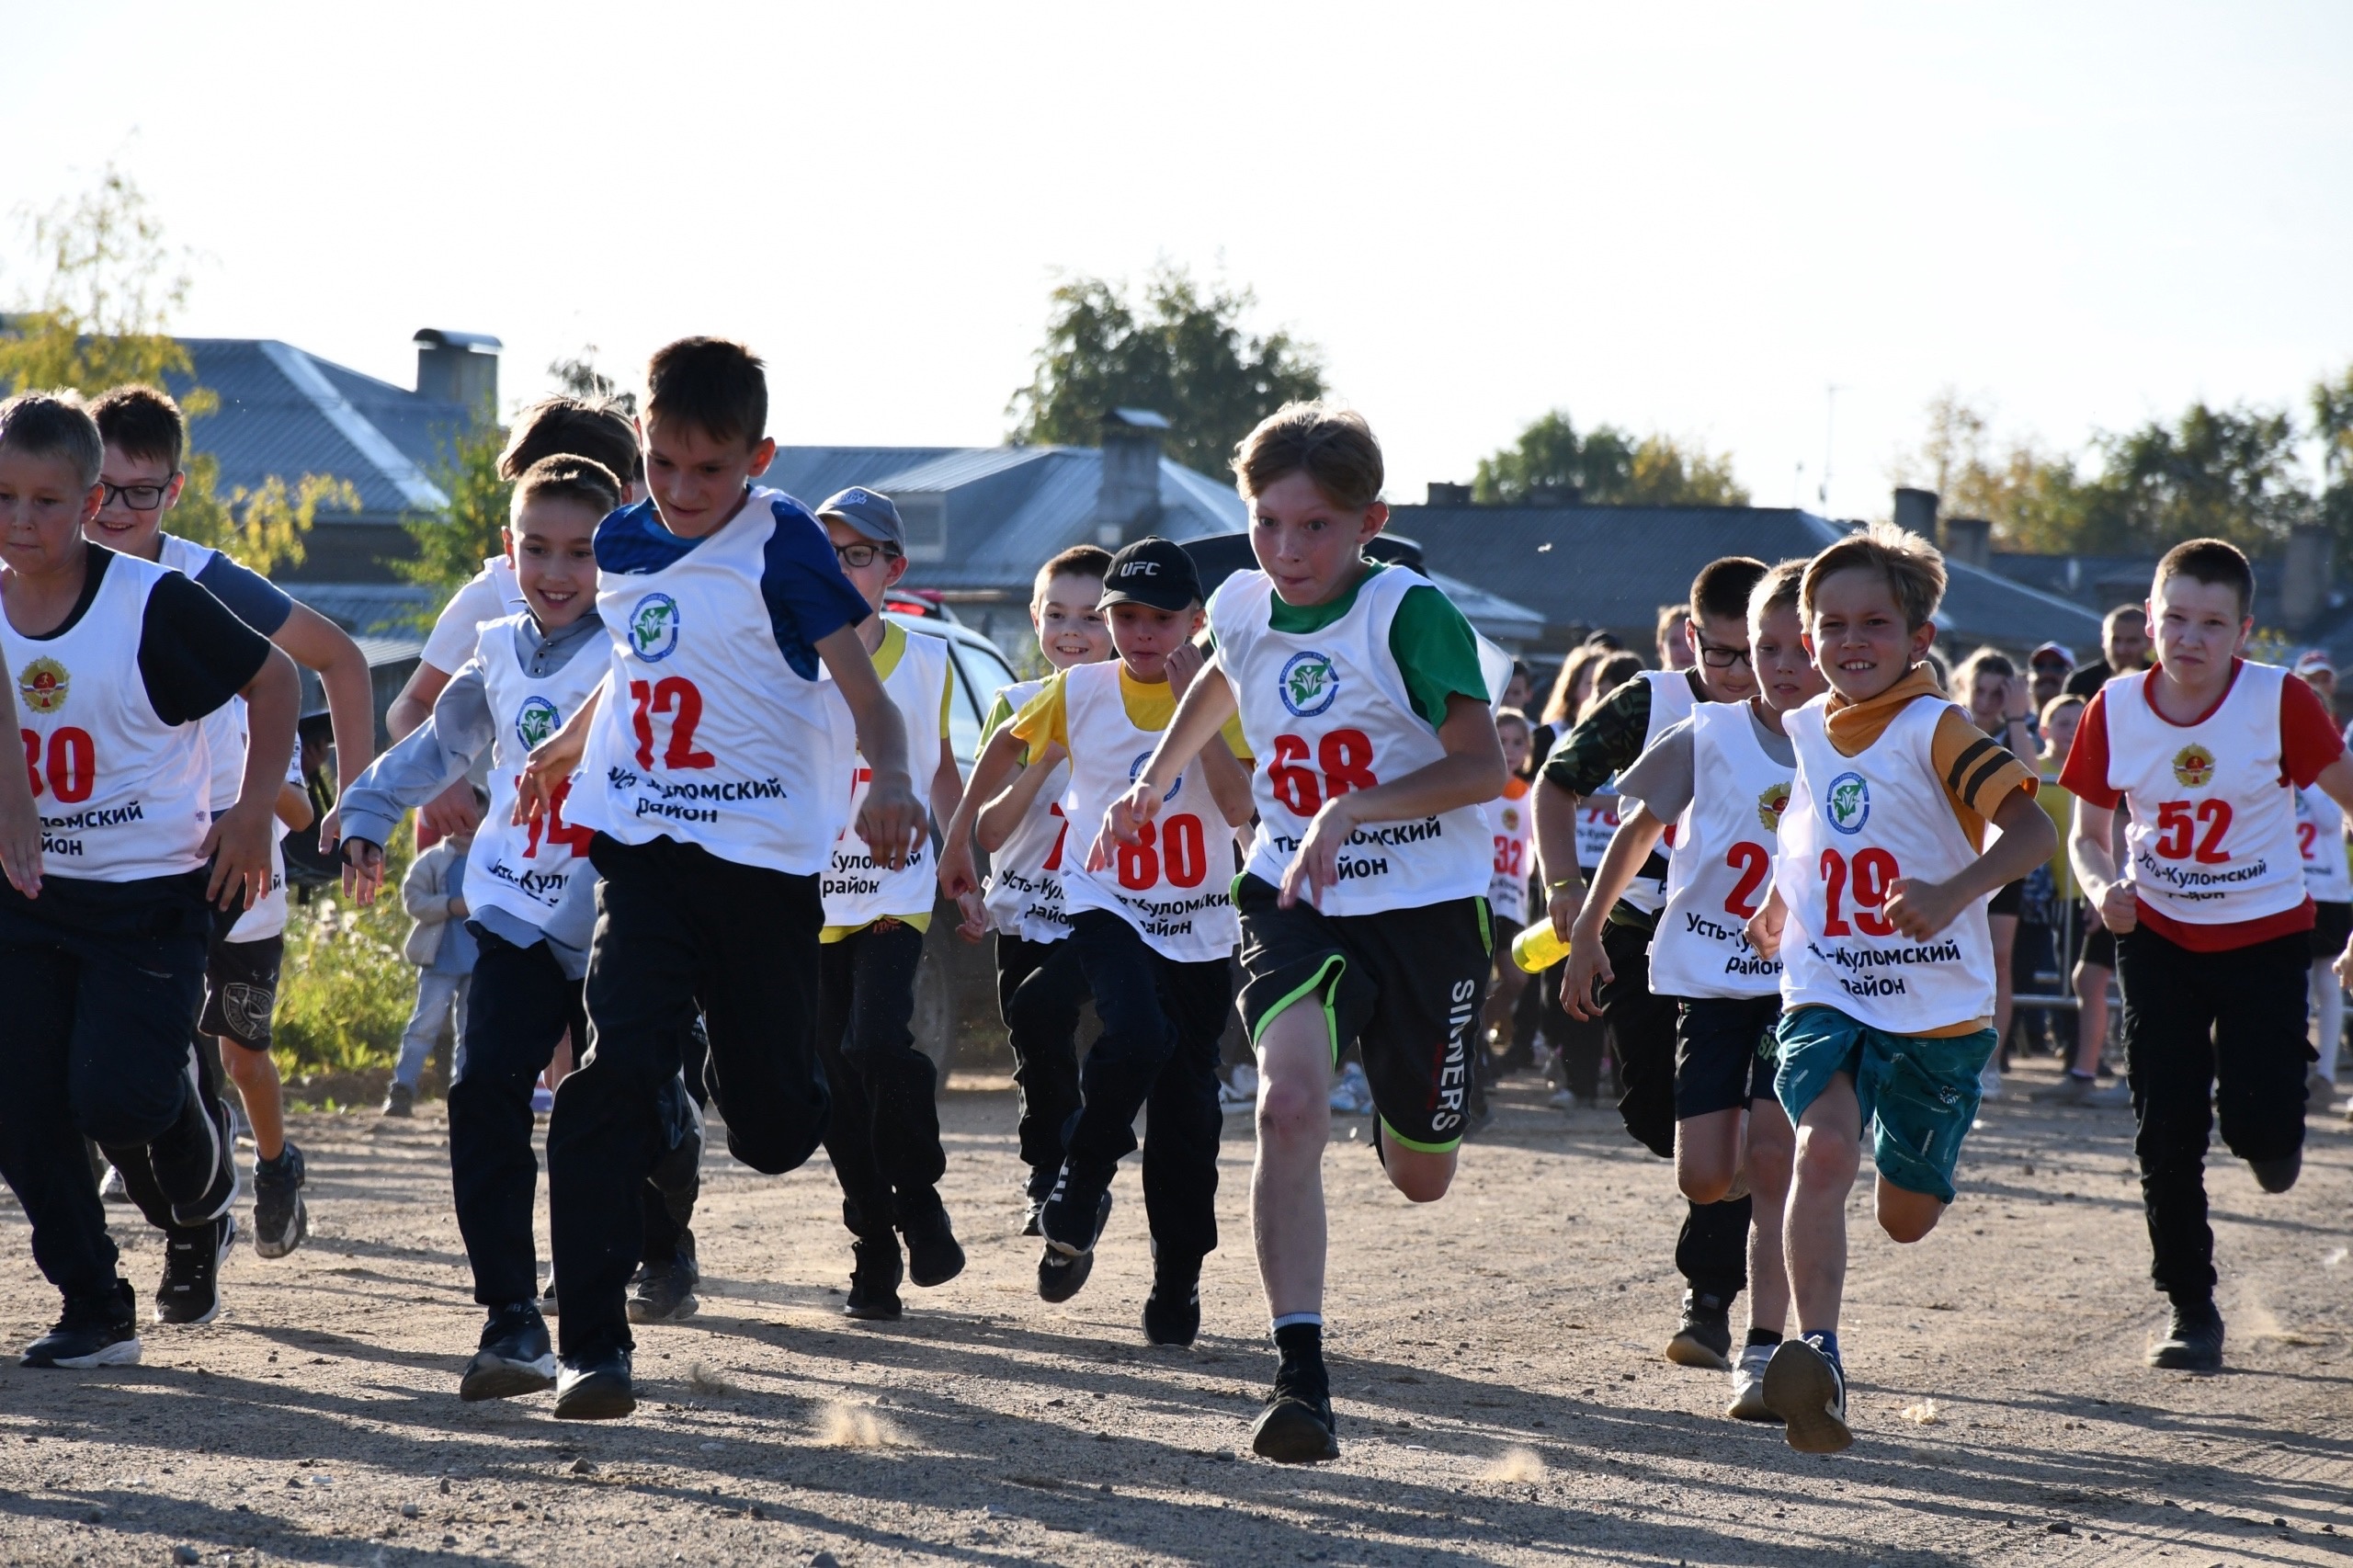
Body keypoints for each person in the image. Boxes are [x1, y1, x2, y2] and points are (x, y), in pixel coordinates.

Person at [512, 337, 926, 1420]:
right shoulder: (621, 539)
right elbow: (647, 660)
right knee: (604, 1081)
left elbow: (863, 686)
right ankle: (593, 1348)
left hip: (763, 869)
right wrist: (571, 739)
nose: (685, 491)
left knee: (776, 1128)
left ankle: (752, 1089)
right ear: (641, 443)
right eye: (665, 464)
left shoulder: (784, 543)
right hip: (644, 854)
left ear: (759, 455)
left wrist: (890, 777)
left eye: (712, 469)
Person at [1105, 405, 1503, 1465]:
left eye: (1315, 526)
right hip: (1291, 892)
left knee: (1423, 1172)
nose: (1287, 550)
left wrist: (1352, 809)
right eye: (1267, 522)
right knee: (1285, 1103)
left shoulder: (1406, 613)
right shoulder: (1240, 599)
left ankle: (1404, 1107)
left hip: (1425, 909)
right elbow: (1224, 674)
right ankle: (1301, 1375)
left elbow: (1482, 766)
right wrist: (1151, 779)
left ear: (1368, 519)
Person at [0, 391, 299, 1365]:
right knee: (23, 1105)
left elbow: (278, 679)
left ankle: (197, 1166)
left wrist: (252, 809)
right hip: (31, 892)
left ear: (90, 501)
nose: (23, 521)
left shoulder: (149, 601)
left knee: (117, 1101)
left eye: (47, 500)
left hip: (151, 896)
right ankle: (95, 1304)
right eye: (4, 497)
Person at [339, 456, 646, 1396]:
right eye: (538, 549)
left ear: (617, 556)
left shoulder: (645, 645)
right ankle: (513, 1321)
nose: (557, 572)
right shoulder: (500, 649)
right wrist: (364, 807)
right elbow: (440, 744)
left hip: (617, 912)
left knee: (614, 1116)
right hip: (512, 900)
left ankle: (600, 1336)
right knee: (482, 1092)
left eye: (582, 552)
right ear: (509, 551)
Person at [1745, 523, 2054, 1451]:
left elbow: (2031, 833)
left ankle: (1917, 1169)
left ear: (1918, 636)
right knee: (1822, 1151)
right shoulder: (1806, 728)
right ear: (1808, 638)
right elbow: (1813, 829)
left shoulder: (1937, 727)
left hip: (1934, 1008)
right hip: (1827, 982)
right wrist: (1773, 899)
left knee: (1905, 1214)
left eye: (1873, 622)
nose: (1851, 641)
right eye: (1831, 624)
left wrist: (1951, 890)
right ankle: (1819, 1358)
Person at [86, 383, 380, 1262]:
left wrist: (351, 808)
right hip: (120, 860)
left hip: (239, 855)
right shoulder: (39, 573)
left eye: (144, 491)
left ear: (175, 491)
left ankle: (276, 1163)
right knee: (145, 1037)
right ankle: (194, 1187)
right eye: (103, 488)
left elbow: (342, 661)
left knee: (240, 1051)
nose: (118, 510)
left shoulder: (201, 581)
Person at [2063, 540, 2353, 1373]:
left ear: (2244, 633)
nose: (2189, 639)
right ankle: (2192, 1308)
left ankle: (2273, 1118)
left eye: (2212, 624)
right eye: (2175, 619)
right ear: (2149, 620)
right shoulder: (2114, 707)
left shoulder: (2281, 702)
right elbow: (2087, 834)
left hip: (2265, 936)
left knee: (2259, 1133)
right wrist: (2099, 889)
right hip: (2156, 936)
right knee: (2165, 1127)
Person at [1565, 558, 1824, 1422]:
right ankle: (1761, 1193)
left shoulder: (1853, 740)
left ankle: (1764, 1347)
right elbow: (1635, 834)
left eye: (1802, 646)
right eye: (1766, 648)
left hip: (1799, 989)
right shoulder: (1705, 734)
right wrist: (1587, 930)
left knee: (1774, 1161)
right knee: (1706, 1178)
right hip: (1710, 979)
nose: (1784, 665)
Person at [1009, 537, 1254, 1341]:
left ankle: (1176, 1279)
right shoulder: (1078, 690)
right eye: (1128, 616)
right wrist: (965, 836)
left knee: (1188, 1118)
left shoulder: (1232, 694)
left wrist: (1204, 720)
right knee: (1130, 1030)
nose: (1144, 633)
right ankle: (1079, 1181)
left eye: (1163, 618)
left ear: (1197, 622)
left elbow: (1241, 807)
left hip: (1199, 924)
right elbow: (1004, 750)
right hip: (1105, 899)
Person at [1532, 556, 1768, 1372]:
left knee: (1735, 1112)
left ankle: (1710, 1303)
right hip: (1646, 925)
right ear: (1690, 638)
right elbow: (1554, 786)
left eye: (1760, 652)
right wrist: (1567, 889)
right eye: (1724, 655)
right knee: (1652, 1113)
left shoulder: (1805, 713)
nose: (1742, 675)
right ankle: (1735, 1177)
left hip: (1757, 946)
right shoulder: (1654, 700)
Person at [807, 486, 970, 1321]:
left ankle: (921, 1199)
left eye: (859, 554)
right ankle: (875, 1244)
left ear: (892, 569)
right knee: (834, 1086)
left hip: (892, 893)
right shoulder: (786, 656)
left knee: (877, 1042)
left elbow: (941, 769)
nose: (842, 568)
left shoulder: (928, 659)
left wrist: (960, 849)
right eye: (827, 552)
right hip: (808, 900)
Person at [936, 545, 1113, 1234]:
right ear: (1035, 619)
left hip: (1107, 919)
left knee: (1097, 1053)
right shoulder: (1013, 705)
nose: (1073, 631)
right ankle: (1051, 1176)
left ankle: (1080, 1173)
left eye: (1093, 617)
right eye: (1058, 615)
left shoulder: (1139, 709)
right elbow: (993, 827)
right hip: (1026, 913)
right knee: (1035, 1053)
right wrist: (1047, 758)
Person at [388, 396, 646, 844]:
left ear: (623, 493)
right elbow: (409, 706)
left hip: (615, 831)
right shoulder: (497, 593)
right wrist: (443, 785)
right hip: (512, 840)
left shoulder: (647, 586)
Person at [1951, 648, 2038, 1098]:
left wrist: (2020, 719)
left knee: (1998, 959)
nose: (1986, 701)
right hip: (1949, 856)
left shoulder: (2012, 735)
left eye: (1997, 693)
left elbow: (2034, 782)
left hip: (2002, 858)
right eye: (1979, 690)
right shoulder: (1946, 726)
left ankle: (1991, 1062)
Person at [389, 788, 484, 1108]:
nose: (469, 824)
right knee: (424, 1025)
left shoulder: (490, 858)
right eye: (461, 817)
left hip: (478, 959)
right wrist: (449, 905)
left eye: (475, 817)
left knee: (471, 1031)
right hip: (439, 956)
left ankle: (464, 1093)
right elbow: (413, 900)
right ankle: (402, 1088)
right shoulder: (432, 861)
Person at [2291, 654, 2350, 1105]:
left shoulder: (2334, 757)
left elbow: (2334, 820)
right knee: (2285, 984)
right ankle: (2288, 1070)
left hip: (2328, 885)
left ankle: (2326, 1073)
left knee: (2327, 982)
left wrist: (2309, 777)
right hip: (2283, 887)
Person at [1481, 709, 1538, 1072]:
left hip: (1513, 901)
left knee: (1516, 978)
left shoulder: (1532, 795)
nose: (1510, 750)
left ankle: (1480, 1034)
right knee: (1479, 978)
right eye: (1501, 741)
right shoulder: (1478, 789)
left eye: (1518, 742)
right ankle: (1475, 1054)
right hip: (1479, 899)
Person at [2063, 605, 2151, 699]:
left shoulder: (2161, 682)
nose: (2121, 650)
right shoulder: (2080, 683)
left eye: (2132, 641)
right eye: (2116, 640)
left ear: (2149, 643)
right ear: (2103, 640)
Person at [2029, 642, 2074, 714]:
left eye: (2057, 666)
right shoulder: (2015, 720)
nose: (2047, 673)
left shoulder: (2084, 722)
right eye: (2039, 666)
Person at [1656, 606, 1694, 671]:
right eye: (1674, 643)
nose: (1684, 650)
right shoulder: (1650, 681)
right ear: (1661, 649)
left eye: (1691, 640)